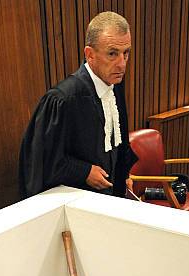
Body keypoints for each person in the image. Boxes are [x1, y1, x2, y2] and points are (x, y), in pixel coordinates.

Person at [19, 11, 138, 200]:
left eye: (126, 53)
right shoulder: (63, 99)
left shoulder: (115, 84)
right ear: (90, 54)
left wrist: (123, 174)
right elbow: (41, 163)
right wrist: (83, 171)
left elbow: (118, 140)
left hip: (110, 198)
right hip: (77, 202)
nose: (122, 64)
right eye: (112, 54)